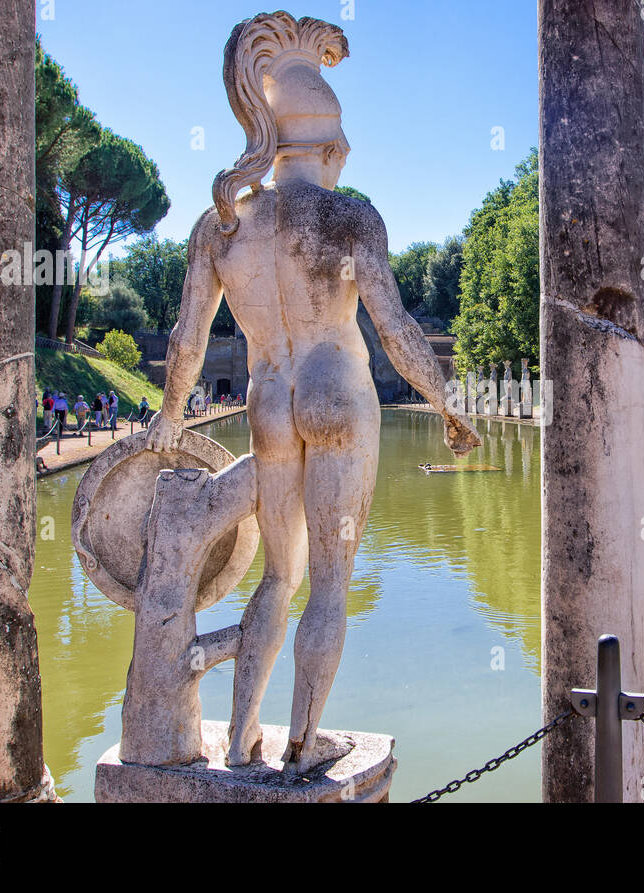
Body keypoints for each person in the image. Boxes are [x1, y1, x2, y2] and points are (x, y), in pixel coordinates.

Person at [145, 11, 480, 774]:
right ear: (333, 148)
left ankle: (239, 742)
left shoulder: (221, 225)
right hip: (338, 394)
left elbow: (186, 342)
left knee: (277, 576)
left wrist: (169, 417)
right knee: (330, 579)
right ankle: (301, 746)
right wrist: (448, 404)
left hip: (268, 402)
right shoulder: (349, 216)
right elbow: (395, 329)